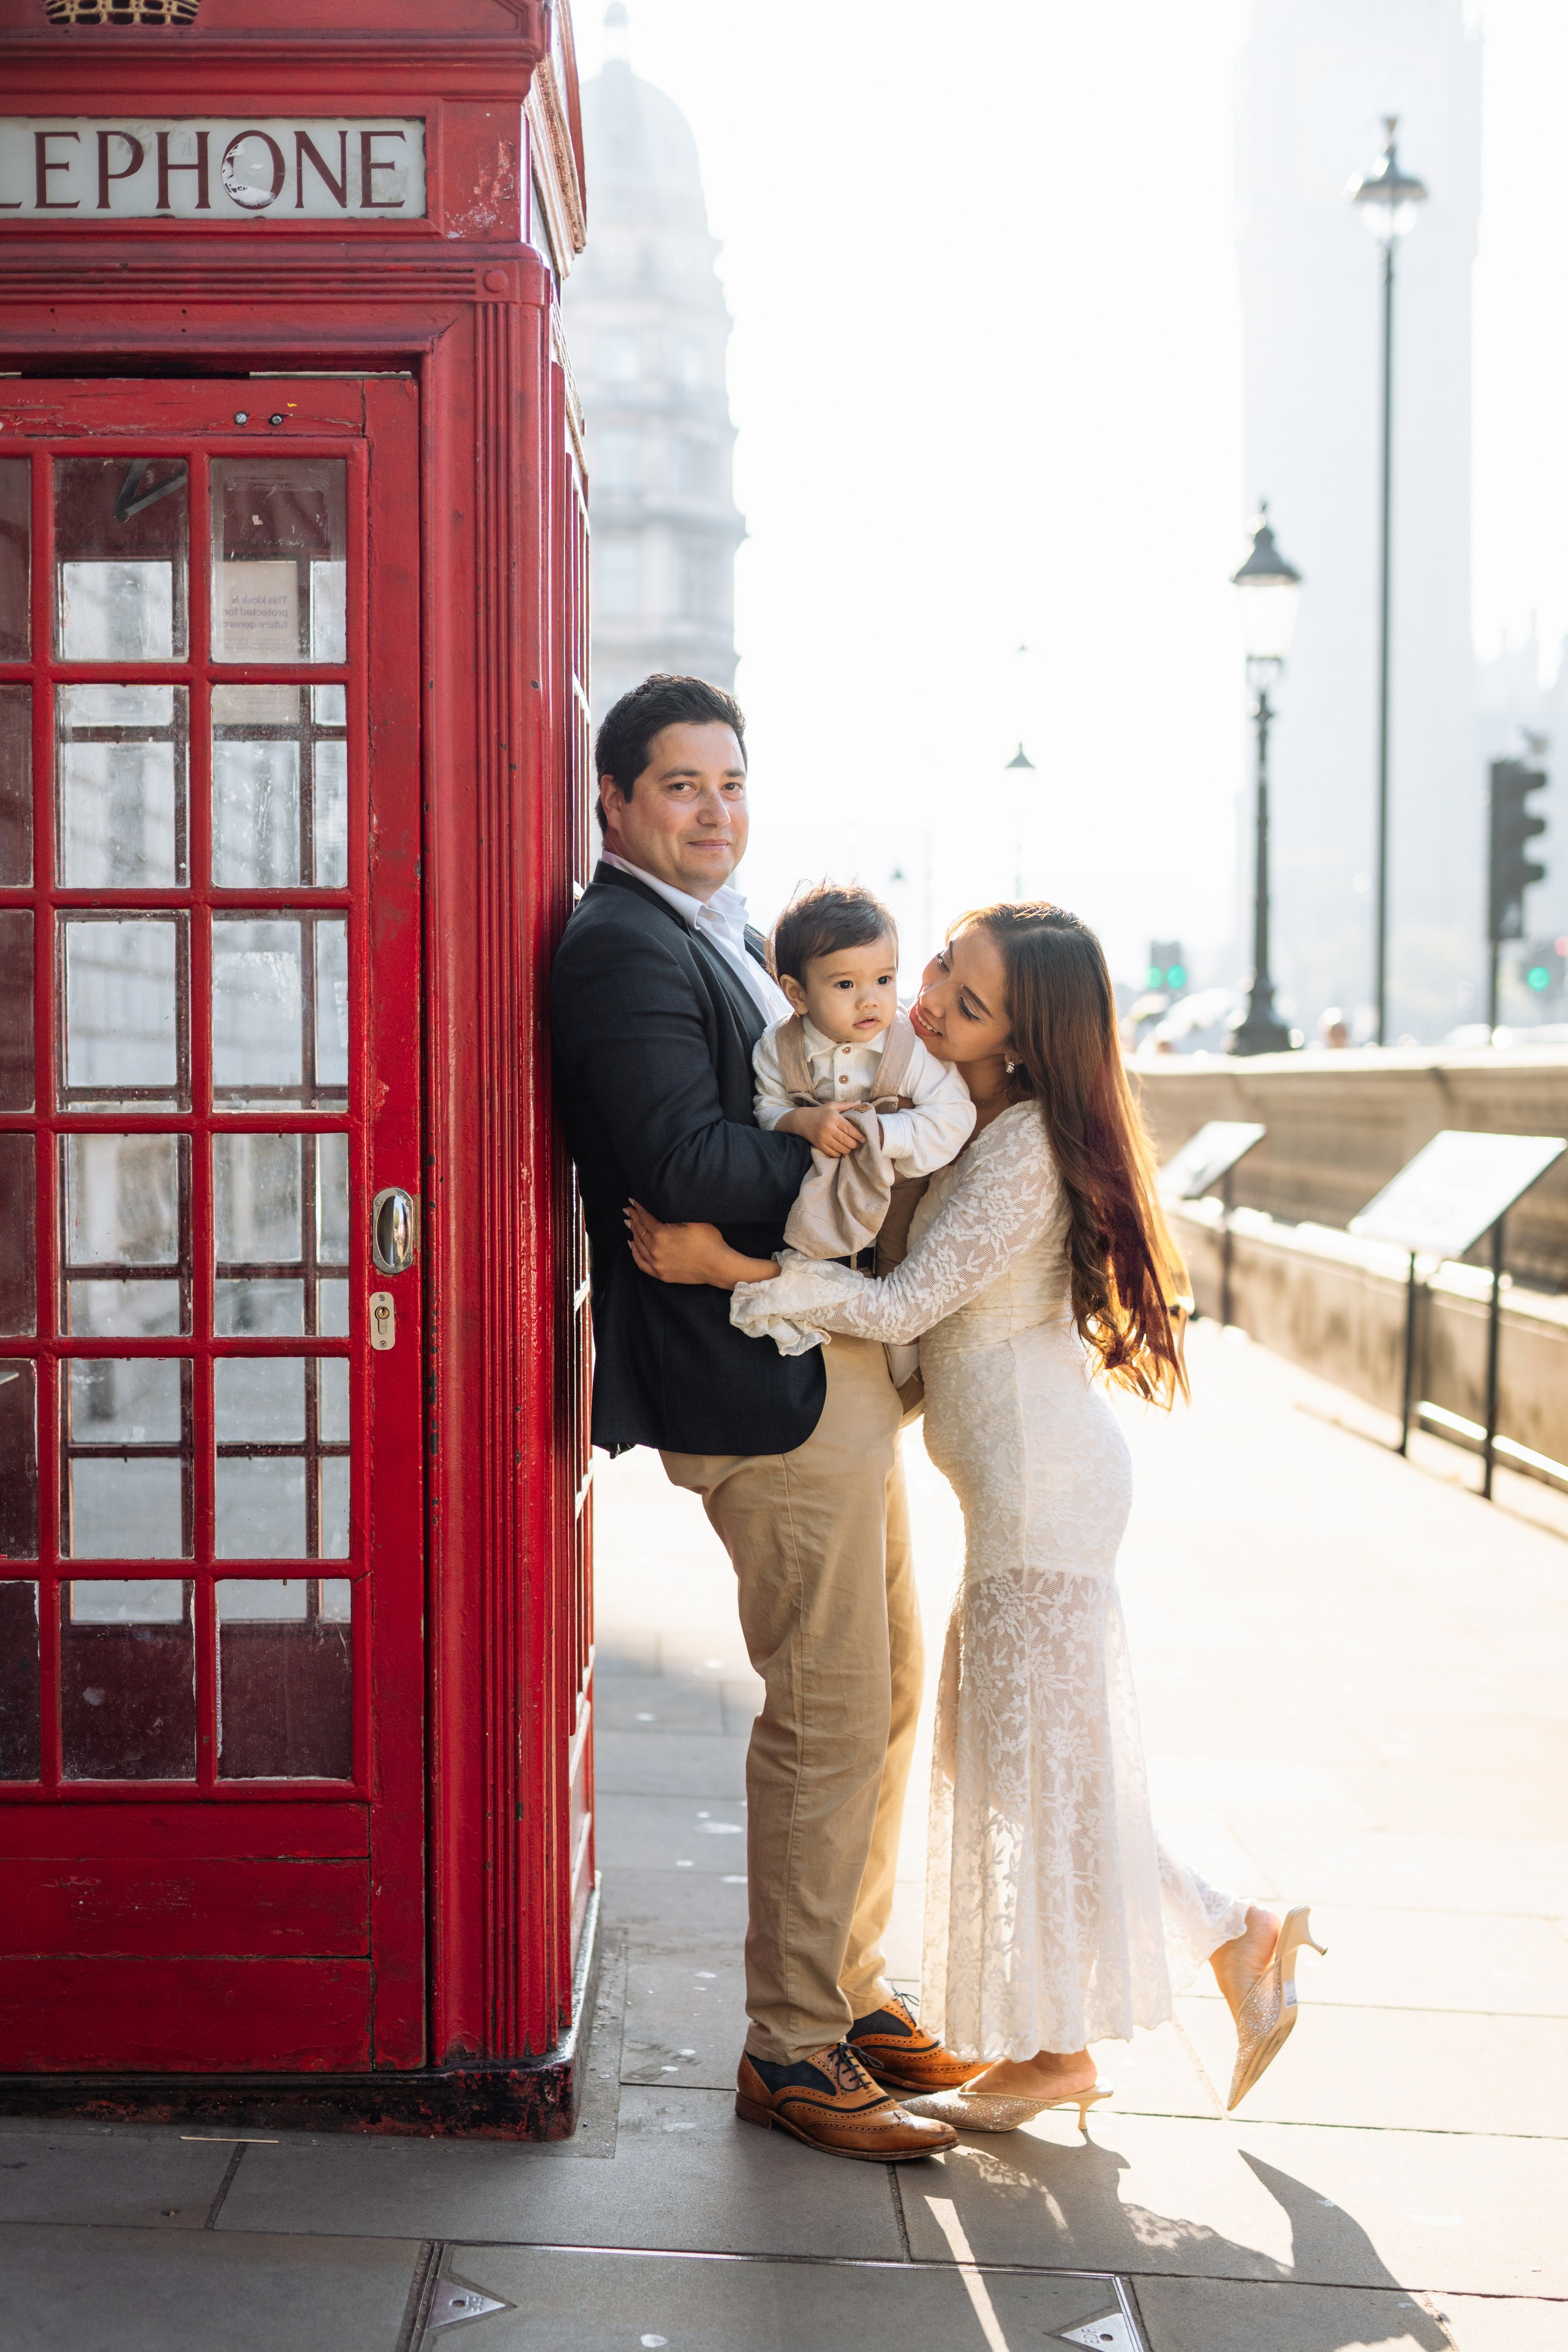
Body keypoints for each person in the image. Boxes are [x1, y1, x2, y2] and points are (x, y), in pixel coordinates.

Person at [627, 901, 1323, 2130]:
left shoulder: (1020, 1149)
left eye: (970, 998)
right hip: (1017, 1491)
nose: (933, 1000)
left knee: (1027, 1769)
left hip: (1044, 1495)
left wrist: (725, 1269)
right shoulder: (977, 1125)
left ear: (1022, 1039)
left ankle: (1105, 2020)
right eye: (942, 966)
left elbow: (902, 1308)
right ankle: (1221, 1942)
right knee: (1013, 1765)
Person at [550, 675, 970, 2166]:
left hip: (813, 1351)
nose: (715, 809)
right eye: (681, 786)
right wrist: (826, 1137)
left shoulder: (706, 935)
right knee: (828, 1706)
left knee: (887, 1688)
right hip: (755, 1376)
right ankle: (789, 2047)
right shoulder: (618, 950)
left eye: (731, 783)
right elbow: (680, 1155)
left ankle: (847, 1996)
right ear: (614, 801)